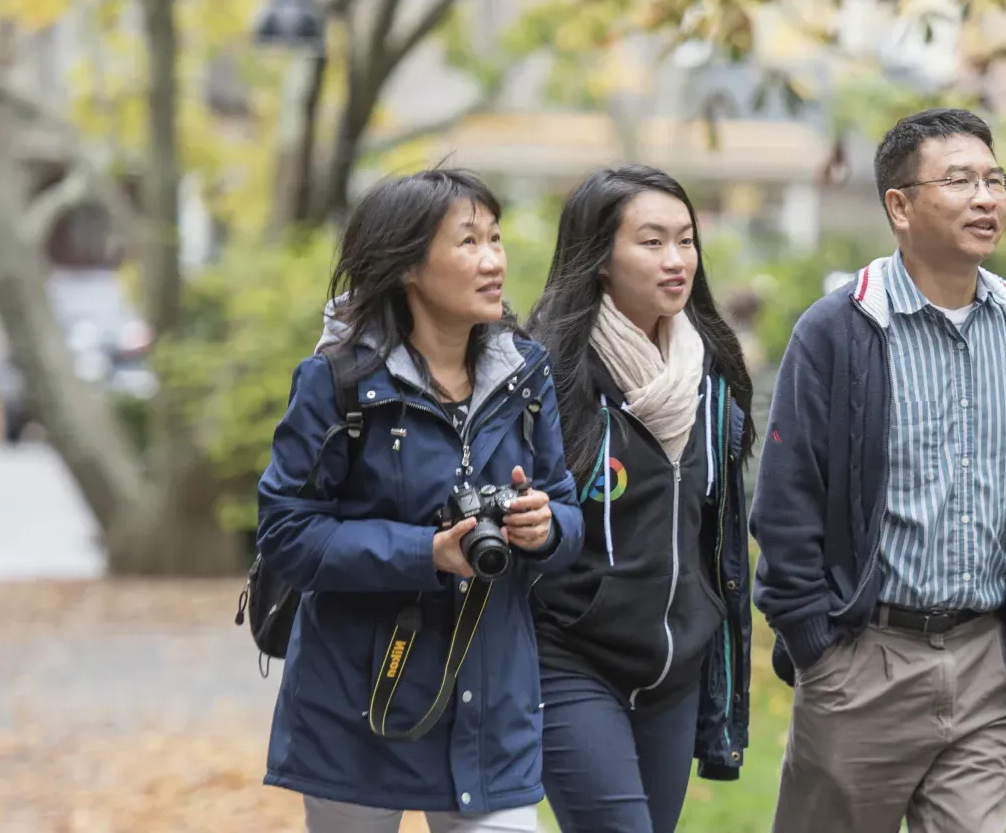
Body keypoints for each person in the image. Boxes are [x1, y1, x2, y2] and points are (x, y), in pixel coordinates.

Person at [751, 108, 1006, 833]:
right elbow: (786, 500)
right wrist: (817, 650)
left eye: (996, 180)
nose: (986, 198)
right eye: (959, 180)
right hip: (865, 664)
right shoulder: (839, 331)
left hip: (990, 663)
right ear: (898, 206)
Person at [256, 168, 586, 833]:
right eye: (468, 243)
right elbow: (286, 532)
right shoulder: (338, 382)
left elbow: (568, 513)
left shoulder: (524, 375)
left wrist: (543, 529)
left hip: (491, 712)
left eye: (495, 238)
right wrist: (426, 553)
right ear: (407, 264)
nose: (494, 259)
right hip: (358, 710)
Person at [524, 165, 757, 833]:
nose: (677, 260)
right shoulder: (547, 372)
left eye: (686, 241)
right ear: (599, 258)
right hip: (571, 660)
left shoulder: (712, 372)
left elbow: (716, 525)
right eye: (652, 243)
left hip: (675, 670)